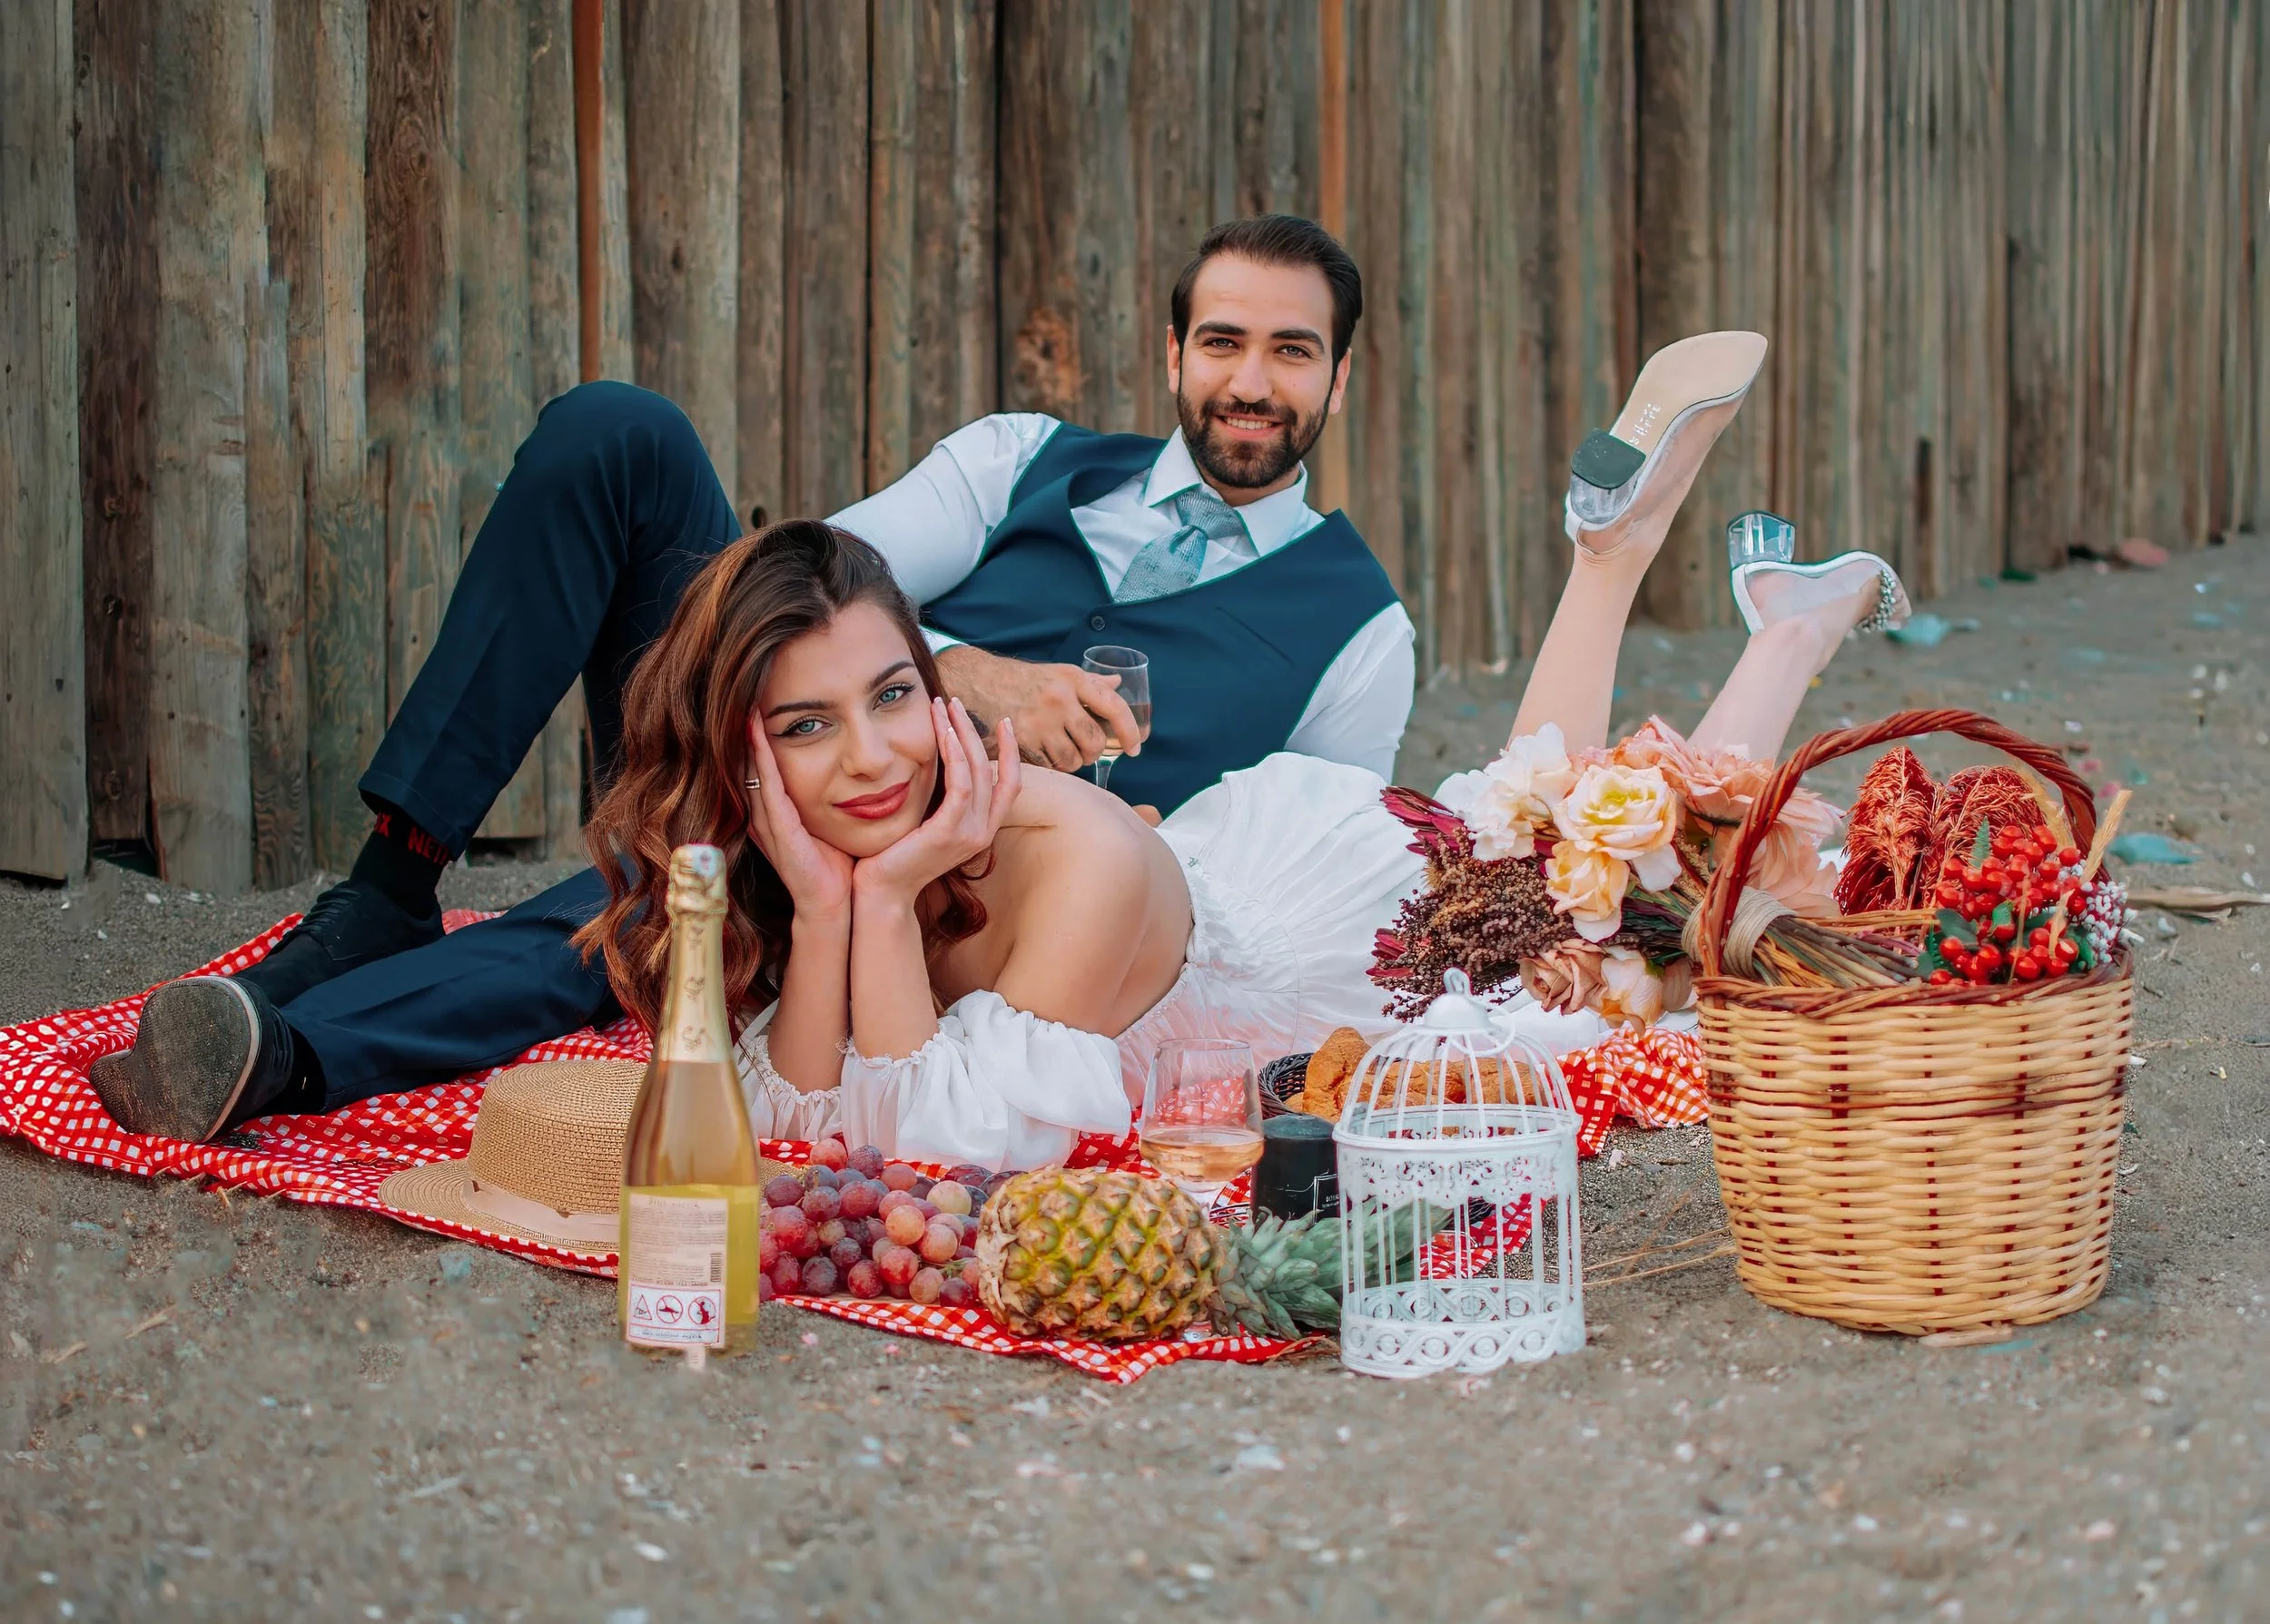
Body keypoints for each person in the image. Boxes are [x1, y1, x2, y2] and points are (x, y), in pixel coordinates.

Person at [92, 326, 1908, 1170]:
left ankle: (1701, 595)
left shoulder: (1355, 617)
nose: (1249, 380)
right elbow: (826, 576)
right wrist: (943, 689)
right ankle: (387, 883)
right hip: (886, 749)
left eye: (1288, 354)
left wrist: (875, 862)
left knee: (1566, 880)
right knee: (620, 441)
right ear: (1175, 356)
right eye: (1222, 342)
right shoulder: (1021, 460)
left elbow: (900, 1133)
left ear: (1332, 383)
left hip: (1191, 888)